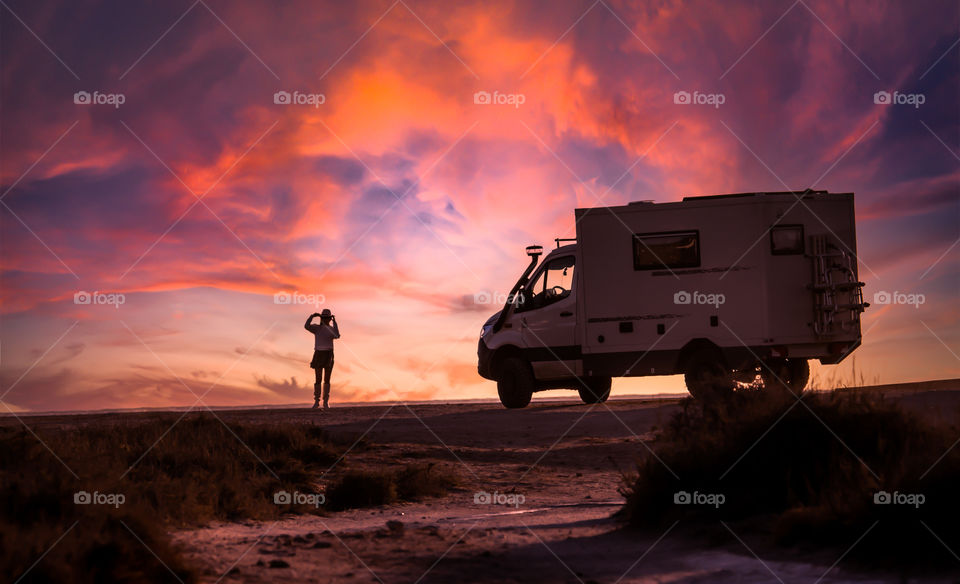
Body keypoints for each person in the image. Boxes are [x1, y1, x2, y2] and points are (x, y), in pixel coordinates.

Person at [304, 308, 340, 409]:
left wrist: (335, 322)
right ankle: (316, 401)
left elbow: (337, 335)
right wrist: (312, 316)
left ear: (329, 318)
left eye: (327, 318)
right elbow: (306, 326)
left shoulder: (332, 329)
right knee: (318, 378)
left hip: (329, 353)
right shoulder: (316, 328)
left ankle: (326, 402)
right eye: (324, 318)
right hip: (319, 353)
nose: (326, 319)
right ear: (321, 318)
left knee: (327, 379)